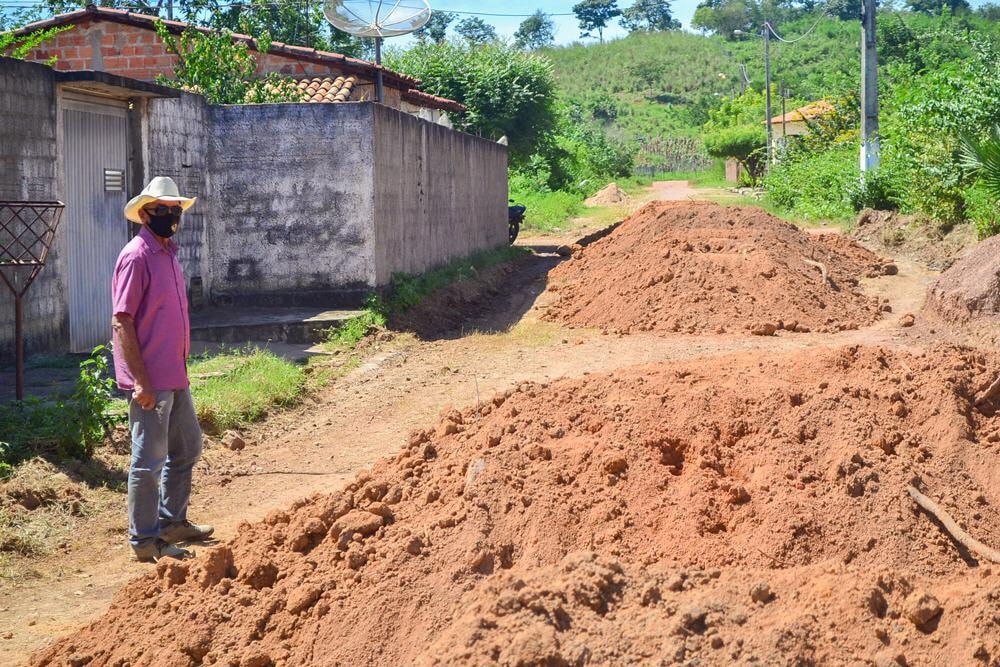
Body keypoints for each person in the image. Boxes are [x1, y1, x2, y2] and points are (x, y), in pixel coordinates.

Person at [112, 176, 213, 563]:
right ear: (144, 213)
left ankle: (172, 522)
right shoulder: (136, 256)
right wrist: (141, 381)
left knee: (187, 447)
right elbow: (122, 320)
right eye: (162, 210)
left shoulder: (168, 252)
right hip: (150, 380)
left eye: (174, 210)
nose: (170, 215)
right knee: (148, 462)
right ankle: (144, 540)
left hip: (175, 374)